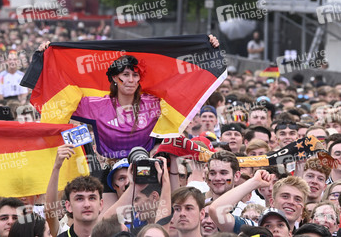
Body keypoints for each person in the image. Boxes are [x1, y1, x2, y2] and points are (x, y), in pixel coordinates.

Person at [37, 35, 220, 158]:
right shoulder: (94, 105)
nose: (131, 80)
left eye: (135, 75)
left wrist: (207, 48)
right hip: (108, 171)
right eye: (125, 75)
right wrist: (47, 56)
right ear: (115, 78)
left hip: (147, 168)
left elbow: (185, 84)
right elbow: (62, 97)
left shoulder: (155, 104)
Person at [209, 170, 309, 233]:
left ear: (302, 209)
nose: (291, 202)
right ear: (272, 202)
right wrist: (254, 182)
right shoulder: (254, 229)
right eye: (285, 196)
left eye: (297, 199)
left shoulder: (308, 235)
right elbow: (217, 210)